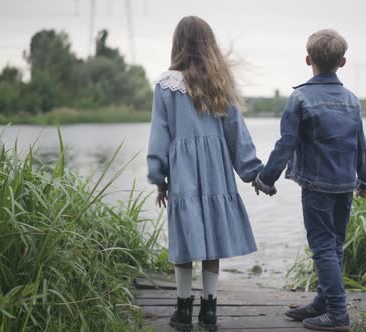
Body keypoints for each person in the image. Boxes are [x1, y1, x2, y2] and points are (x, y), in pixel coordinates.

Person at [146, 16, 269, 332]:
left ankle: (183, 310)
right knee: (213, 236)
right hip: (215, 171)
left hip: (183, 171)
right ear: (208, 44)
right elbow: (236, 134)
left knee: (185, 238)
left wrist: (159, 179)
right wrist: (253, 173)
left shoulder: (166, 84)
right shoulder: (220, 81)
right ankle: (210, 310)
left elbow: (159, 134)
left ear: (178, 44)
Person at [254, 29, 366, 331]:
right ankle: (323, 300)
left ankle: (337, 313)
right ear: (343, 62)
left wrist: (266, 178)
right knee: (334, 246)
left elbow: (286, 144)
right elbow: (361, 144)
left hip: (317, 186)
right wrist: (365, 181)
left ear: (308, 60)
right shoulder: (352, 100)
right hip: (346, 184)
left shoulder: (300, 98)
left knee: (322, 246)